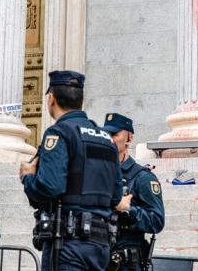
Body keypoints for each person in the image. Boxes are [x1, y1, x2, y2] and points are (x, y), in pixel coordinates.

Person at [19, 70, 123, 271]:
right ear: (81, 100)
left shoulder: (59, 133)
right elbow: (116, 195)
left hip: (68, 243)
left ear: (51, 99)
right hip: (100, 245)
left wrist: (28, 177)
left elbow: (49, 186)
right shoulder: (106, 140)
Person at [103, 113, 165, 271]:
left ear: (129, 138)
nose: (109, 139)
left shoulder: (142, 177)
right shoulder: (97, 175)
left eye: (114, 134)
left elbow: (157, 221)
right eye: (106, 134)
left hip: (126, 264)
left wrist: (127, 210)